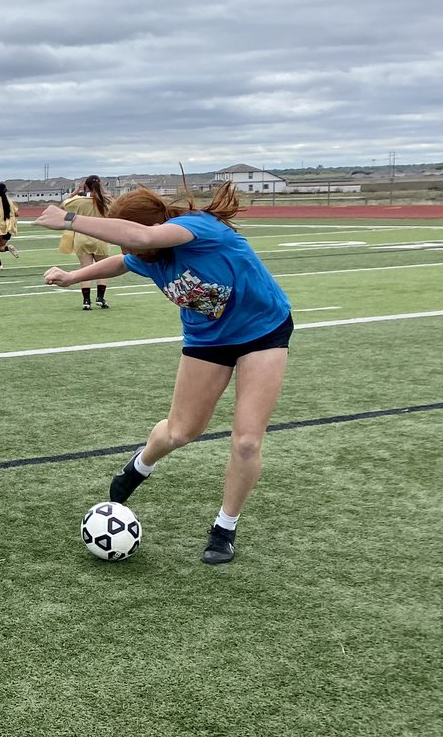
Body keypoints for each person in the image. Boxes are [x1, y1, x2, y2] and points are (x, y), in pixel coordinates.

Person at [36, 182, 293, 564]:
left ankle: (225, 527)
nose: (130, 250)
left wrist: (70, 220)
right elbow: (124, 260)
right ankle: (140, 465)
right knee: (181, 431)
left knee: (246, 441)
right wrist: (74, 278)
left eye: (132, 240)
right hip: (207, 341)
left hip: (263, 331)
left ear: (155, 228)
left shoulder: (199, 229)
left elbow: (140, 237)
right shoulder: (146, 254)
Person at [57, 176, 111, 310]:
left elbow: (63, 205)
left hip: (82, 238)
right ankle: (100, 297)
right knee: (103, 269)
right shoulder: (106, 200)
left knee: (85, 270)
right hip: (101, 237)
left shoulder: (79, 201)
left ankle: (86, 301)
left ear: (86, 186)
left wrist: (75, 192)